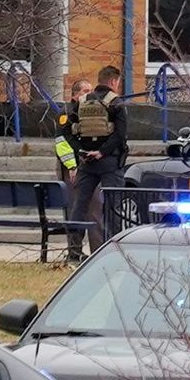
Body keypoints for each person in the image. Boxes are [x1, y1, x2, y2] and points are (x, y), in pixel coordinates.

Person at [56, 69, 130, 248]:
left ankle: (74, 250)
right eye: (118, 82)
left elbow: (66, 131)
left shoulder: (82, 102)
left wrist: (80, 150)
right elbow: (120, 134)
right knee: (113, 205)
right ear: (113, 81)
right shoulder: (116, 103)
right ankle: (113, 247)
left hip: (87, 164)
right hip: (110, 163)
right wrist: (102, 152)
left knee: (80, 205)